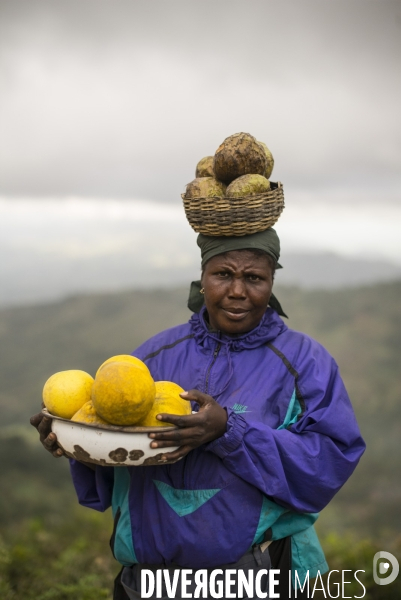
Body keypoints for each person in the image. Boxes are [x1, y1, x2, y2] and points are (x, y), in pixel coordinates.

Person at [31, 228, 365, 600]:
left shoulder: (306, 363)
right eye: (223, 274)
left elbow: (327, 465)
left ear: (271, 284)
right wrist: (74, 441)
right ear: (202, 278)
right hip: (149, 584)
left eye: (254, 278)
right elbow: (118, 455)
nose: (237, 291)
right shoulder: (150, 358)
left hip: (261, 576)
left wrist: (228, 431)